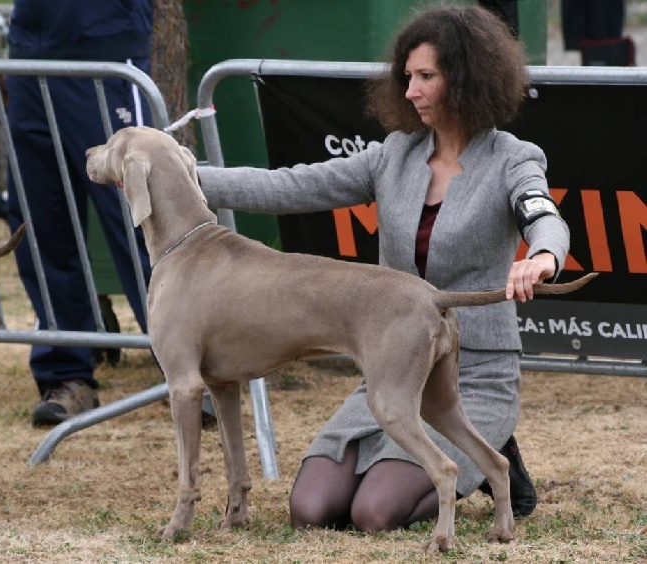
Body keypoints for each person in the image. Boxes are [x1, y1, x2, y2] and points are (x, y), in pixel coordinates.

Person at [197, 4, 570, 529]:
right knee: (312, 509)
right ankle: (465, 458)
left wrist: (543, 257)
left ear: (466, 79)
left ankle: (486, 454)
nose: (411, 90)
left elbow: (544, 216)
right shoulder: (394, 154)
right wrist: (181, 172)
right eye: (408, 77)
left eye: (426, 77)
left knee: (375, 513)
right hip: (394, 366)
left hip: (478, 371)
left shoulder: (513, 159)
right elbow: (287, 185)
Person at [5, 0, 153, 427]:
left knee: (140, 219)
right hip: (31, 53)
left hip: (105, 44)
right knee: (41, 224)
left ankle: (194, 364)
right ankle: (66, 373)